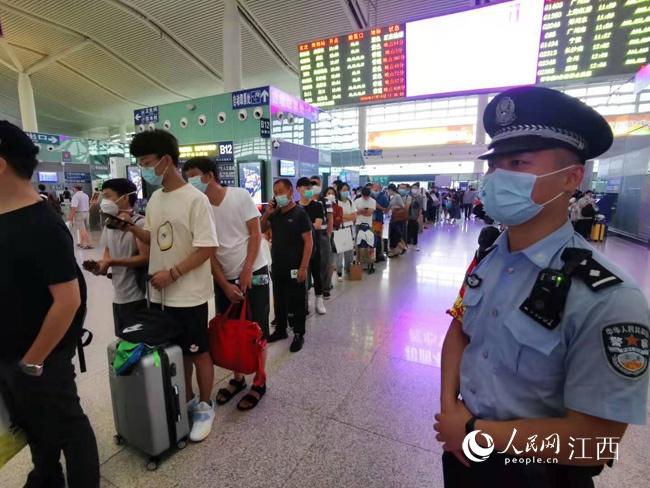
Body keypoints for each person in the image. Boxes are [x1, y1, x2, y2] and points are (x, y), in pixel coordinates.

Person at [435, 86, 650, 488]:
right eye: (494, 166)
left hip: (535, 475)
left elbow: (598, 442)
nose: (498, 178)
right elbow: (458, 329)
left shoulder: (610, 299)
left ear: (570, 178)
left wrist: (477, 434)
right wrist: (450, 411)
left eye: (518, 162)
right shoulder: (489, 255)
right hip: (461, 453)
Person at [0, 121, 100, 487]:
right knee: (28, 419)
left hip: (40, 353)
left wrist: (33, 360)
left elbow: (68, 300)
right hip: (10, 349)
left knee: (67, 424)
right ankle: (45, 476)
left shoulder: (41, 223)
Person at [127, 130, 219, 443]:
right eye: (140, 162)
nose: (144, 168)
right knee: (175, 353)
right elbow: (156, 240)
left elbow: (207, 248)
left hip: (188, 294)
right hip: (160, 295)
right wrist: (129, 227)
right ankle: (188, 398)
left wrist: (174, 272)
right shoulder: (155, 198)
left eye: (147, 162)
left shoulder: (196, 200)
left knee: (197, 352)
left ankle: (206, 406)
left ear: (167, 160)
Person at [184, 157, 269, 411]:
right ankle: (238, 378)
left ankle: (260, 381)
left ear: (209, 176)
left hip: (253, 270)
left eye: (194, 175)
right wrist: (223, 284)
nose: (191, 181)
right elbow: (207, 251)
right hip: (224, 277)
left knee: (256, 329)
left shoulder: (240, 196)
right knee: (231, 328)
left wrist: (245, 271)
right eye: (187, 176)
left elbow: (255, 234)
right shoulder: (199, 206)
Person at [88, 178, 149, 336]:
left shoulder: (140, 224)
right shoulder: (110, 225)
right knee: (123, 343)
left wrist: (113, 261)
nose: (105, 201)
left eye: (109, 196)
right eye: (104, 197)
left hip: (137, 296)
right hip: (118, 297)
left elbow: (144, 258)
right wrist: (99, 267)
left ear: (125, 197)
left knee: (138, 344)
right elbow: (107, 256)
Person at [261, 179, 313, 353]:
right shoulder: (275, 215)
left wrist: (303, 268)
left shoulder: (300, 214)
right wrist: (267, 212)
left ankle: (299, 334)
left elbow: (308, 242)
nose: (278, 195)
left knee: (297, 301)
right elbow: (261, 228)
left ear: (291, 191)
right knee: (279, 300)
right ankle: (281, 329)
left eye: (281, 191)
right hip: (278, 265)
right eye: (275, 192)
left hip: (295, 267)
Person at [296, 177, 326, 315]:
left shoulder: (317, 206)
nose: (308, 191)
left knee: (316, 272)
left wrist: (300, 228)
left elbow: (318, 225)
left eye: (309, 188)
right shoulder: (295, 207)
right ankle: (305, 299)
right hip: (298, 248)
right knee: (303, 274)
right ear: (298, 189)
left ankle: (319, 299)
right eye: (305, 188)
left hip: (314, 245)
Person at [311, 175, 334, 299]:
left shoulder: (325, 201)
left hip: (322, 233)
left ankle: (325, 287)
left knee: (325, 261)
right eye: (312, 183)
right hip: (309, 234)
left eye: (317, 184)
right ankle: (313, 285)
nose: (314, 186)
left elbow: (330, 219)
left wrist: (329, 235)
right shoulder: (306, 200)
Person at [336, 183, 356, 279]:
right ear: (339, 191)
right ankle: (339, 272)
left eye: (347, 190)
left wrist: (342, 216)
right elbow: (336, 217)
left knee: (349, 251)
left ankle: (349, 269)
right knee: (339, 252)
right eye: (343, 190)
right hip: (339, 229)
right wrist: (347, 217)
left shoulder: (350, 202)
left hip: (349, 229)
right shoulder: (336, 202)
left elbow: (354, 216)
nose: (345, 192)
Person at [68, 184, 92, 249]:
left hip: (79, 214)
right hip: (86, 213)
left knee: (82, 229)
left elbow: (74, 208)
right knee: (83, 228)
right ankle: (81, 243)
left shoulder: (75, 196)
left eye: (73, 188)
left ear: (75, 188)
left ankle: (88, 244)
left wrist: (70, 217)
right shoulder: (86, 195)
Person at [371, 182, 389, 262]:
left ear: (380, 189)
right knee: (370, 238)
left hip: (378, 220)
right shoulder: (369, 196)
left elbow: (386, 209)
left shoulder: (383, 197)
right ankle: (370, 255)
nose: (376, 190)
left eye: (377, 188)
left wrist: (379, 207)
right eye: (374, 188)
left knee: (377, 238)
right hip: (368, 220)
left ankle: (378, 255)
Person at [387, 183, 406, 258]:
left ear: (391, 190)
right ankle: (397, 250)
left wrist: (395, 207)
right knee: (394, 234)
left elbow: (403, 206)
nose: (388, 192)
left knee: (397, 234)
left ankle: (403, 247)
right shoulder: (393, 197)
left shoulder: (397, 196)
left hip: (397, 218)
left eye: (388, 190)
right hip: (393, 217)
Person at [406, 183, 424, 251]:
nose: (414, 189)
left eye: (415, 188)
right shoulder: (408, 196)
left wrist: (419, 217)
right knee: (408, 230)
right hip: (408, 216)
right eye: (413, 188)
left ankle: (414, 244)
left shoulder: (420, 197)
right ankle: (407, 243)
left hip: (415, 216)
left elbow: (420, 208)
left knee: (415, 231)